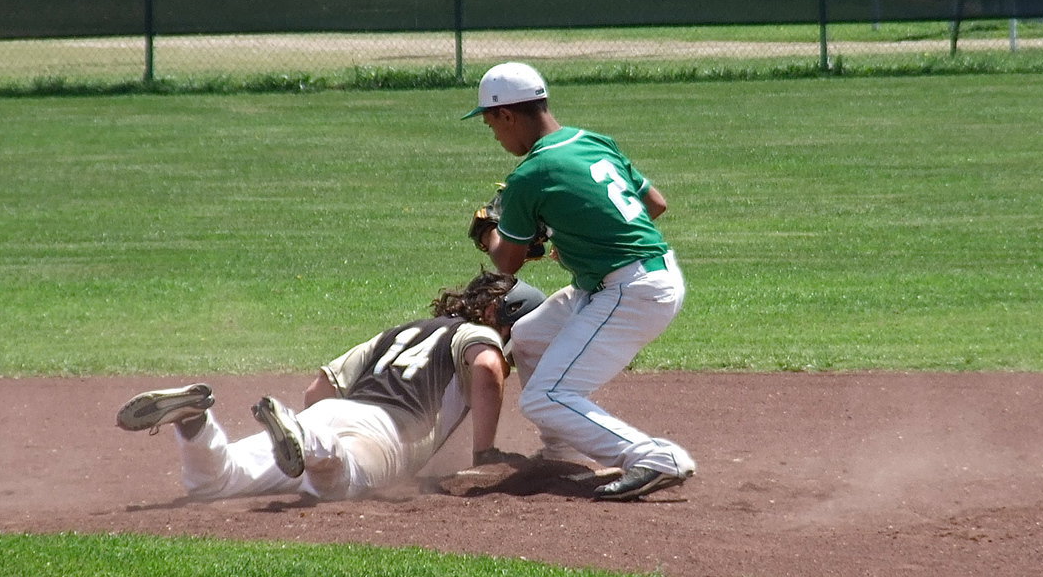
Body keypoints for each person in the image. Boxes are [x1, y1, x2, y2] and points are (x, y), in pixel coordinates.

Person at [463, 61, 696, 501]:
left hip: (632, 291)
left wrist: (489, 231)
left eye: (491, 123)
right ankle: (561, 448)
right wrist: (577, 235)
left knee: (544, 396)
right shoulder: (592, 142)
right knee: (530, 336)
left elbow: (507, 263)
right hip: (638, 275)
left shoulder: (530, 175)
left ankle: (651, 456)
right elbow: (655, 205)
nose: (493, 134)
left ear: (508, 115)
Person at [115, 271, 545, 502]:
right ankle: (307, 439)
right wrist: (484, 454)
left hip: (328, 413)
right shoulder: (480, 334)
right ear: (495, 312)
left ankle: (195, 422)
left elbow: (318, 389)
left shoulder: (397, 332)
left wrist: (311, 423)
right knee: (336, 483)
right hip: (382, 433)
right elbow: (488, 367)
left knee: (216, 482)